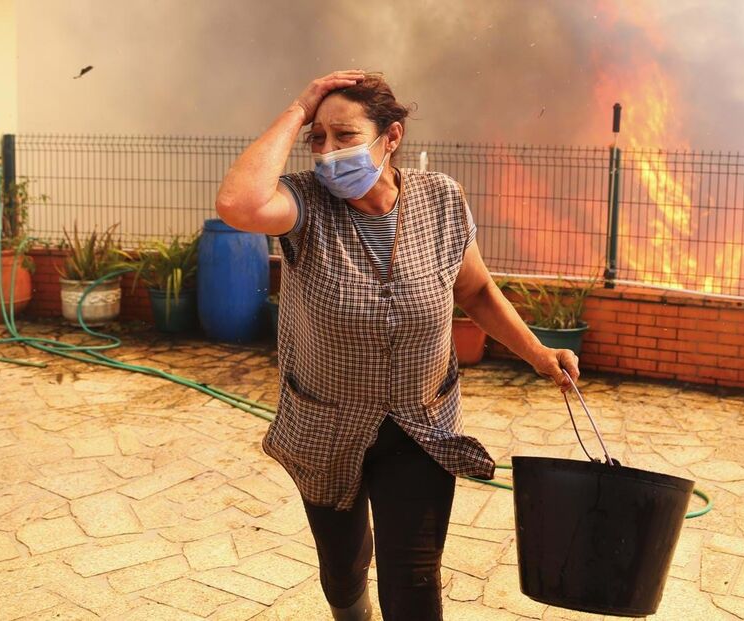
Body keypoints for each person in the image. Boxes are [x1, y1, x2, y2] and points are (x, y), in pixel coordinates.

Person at [215, 70, 580, 621]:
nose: (328, 152)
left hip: (421, 423)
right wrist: (298, 109)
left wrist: (539, 355)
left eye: (346, 137)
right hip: (326, 425)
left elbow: (475, 290)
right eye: (319, 139)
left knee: (412, 582)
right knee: (343, 566)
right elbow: (239, 204)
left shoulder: (441, 200)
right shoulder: (305, 203)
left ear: (392, 137)